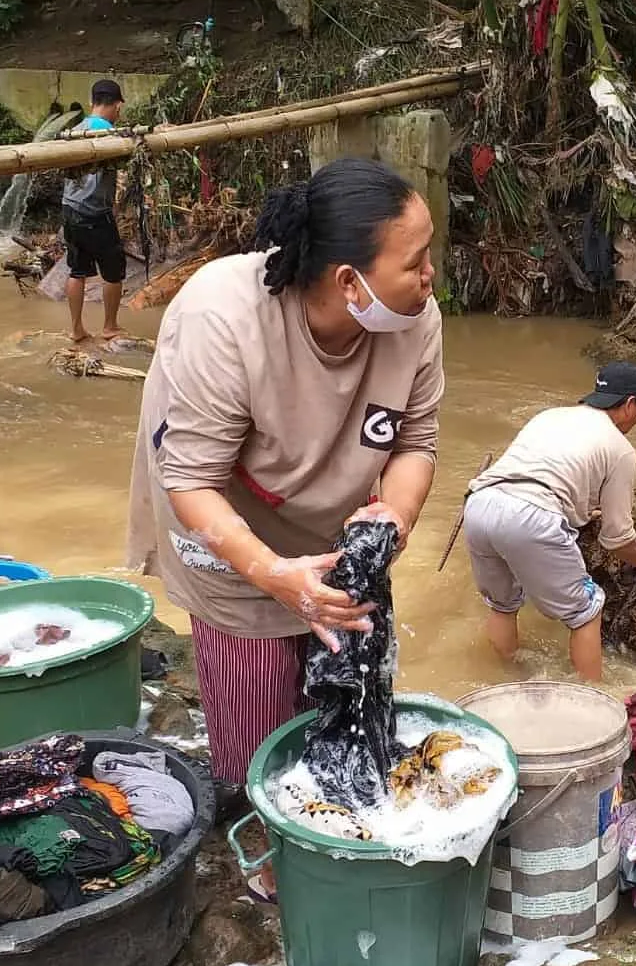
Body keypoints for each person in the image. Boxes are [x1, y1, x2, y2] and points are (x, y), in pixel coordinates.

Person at [126, 157, 443, 795]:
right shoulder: (224, 319)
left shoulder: (412, 320)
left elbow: (416, 440)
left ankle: (335, 826)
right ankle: (267, 853)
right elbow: (191, 482)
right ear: (350, 281)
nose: (431, 275)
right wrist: (272, 573)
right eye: (416, 262)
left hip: (331, 528)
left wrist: (396, 516)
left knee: (350, 706)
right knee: (259, 734)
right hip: (226, 526)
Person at [463, 361, 636, 682]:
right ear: (629, 405)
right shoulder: (620, 449)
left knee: (503, 605)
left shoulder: (549, 416)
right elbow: (617, 539)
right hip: (532, 516)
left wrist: (582, 509)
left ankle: (508, 682)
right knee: (587, 612)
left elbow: (544, 473)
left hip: (481, 503)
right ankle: (593, 699)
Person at [62, 78, 127, 343]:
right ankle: (110, 326)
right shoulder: (109, 133)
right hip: (94, 212)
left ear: (91, 103)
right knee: (113, 271)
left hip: (69, 208)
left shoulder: (77, 128)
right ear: (118, 105)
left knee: (77, 270)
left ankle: (76, 329)